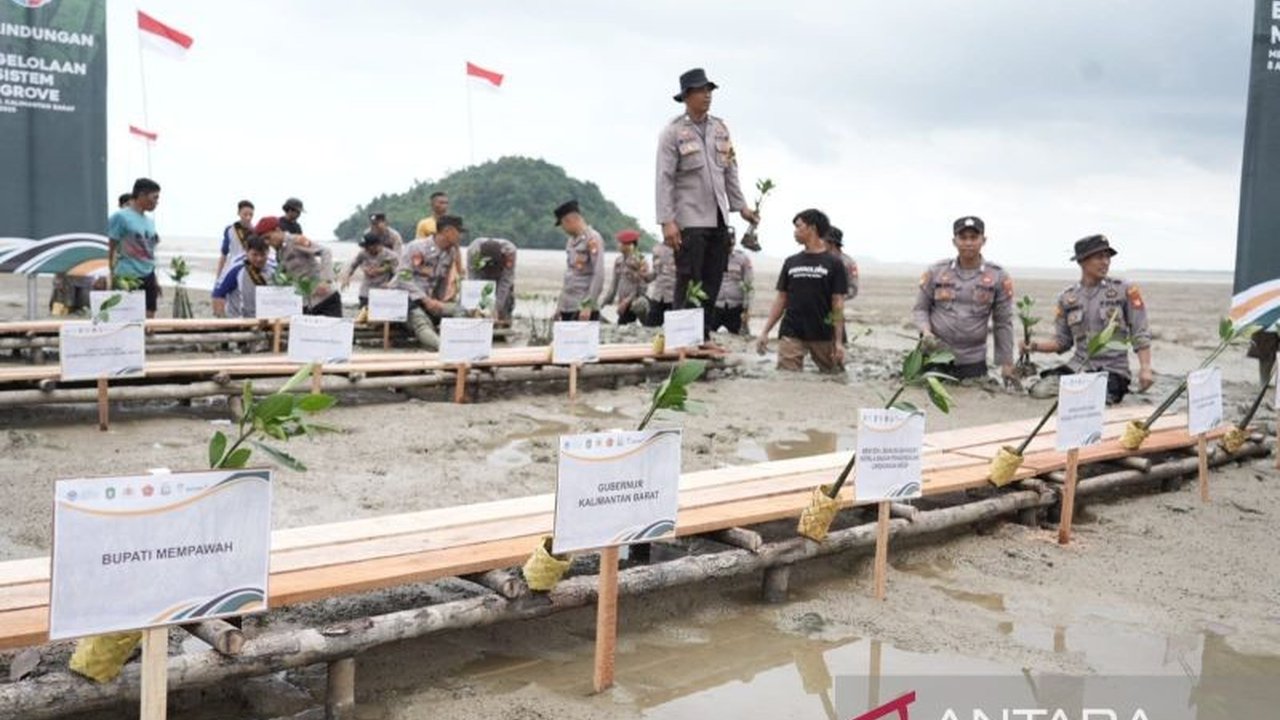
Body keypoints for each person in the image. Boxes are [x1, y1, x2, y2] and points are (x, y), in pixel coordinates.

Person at [656, 67, 758, 340]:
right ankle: (679, 337)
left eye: (709, 90)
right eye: (701, 91)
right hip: (689, 220)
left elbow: (730, 170)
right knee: (689, 279)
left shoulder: (721, 129)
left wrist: (742, 207)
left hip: (719, 218)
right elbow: (664, 178)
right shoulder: (673, 132)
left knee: (713, 280)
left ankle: (701, 335)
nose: (707, 96)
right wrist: (667, 221)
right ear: (687, 96)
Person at [1023, 234, 1154, 404]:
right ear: (1082, 261)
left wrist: (1145, 368)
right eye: (1099, 257)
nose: (1105, 262)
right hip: (1078, 367)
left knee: (1095, 400)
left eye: (1108, 257)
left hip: (1112, 371)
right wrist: (1033, 346)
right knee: (1039, 391)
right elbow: (1063, 342)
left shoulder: (1125, 290)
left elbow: (1140, 332)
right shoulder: (1067, 298)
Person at [912, 216, 1015, 383]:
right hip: (935, 357)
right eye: (963, 238)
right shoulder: (936, 272)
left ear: (984, 240)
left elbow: (1003, 323)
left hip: (972, 360)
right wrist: (925, 331)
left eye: (974, 238)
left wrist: (1006, 362)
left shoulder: (998, 276)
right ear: (954, 241)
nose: (968, 243)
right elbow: (920, 309)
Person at [755, 209, 847, 372]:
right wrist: (765, 331)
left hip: (823, 333)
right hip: (792, 331)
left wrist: (839, 341)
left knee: (833, 375)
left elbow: (837, 303)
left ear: (812, 228)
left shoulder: (834, 263)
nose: (795, 232)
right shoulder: (791, 262)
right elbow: (781, 298)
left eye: (799, 227)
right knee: (787, 378)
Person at [400, 214, 464, 350]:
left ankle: (459, 342)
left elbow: (442, 282)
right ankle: (446, 350)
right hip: (407, 297)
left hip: (431, 300)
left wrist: (439, 302)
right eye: (459, 232)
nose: (460, 237)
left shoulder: (451, 252)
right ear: (448, 231)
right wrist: (426, 300)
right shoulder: (417, 247)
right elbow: (403, 278)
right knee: (421, 322)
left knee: (462, 310)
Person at [107, 177, 163, 318]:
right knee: (126, 318)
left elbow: (149, 252)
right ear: (142, 195)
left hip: (148, 274)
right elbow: (109, 246)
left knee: (150, 319)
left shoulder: (149, 222)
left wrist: (155, 279)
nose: (157, 202)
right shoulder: (120, 217)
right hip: (127, 275)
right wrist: (108, 274)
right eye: (154, 197)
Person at [274, 213, 340, 317]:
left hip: (326, 298)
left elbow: (325, 251)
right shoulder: (280, 253)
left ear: (277, 230)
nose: (268, 242)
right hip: (307, 302)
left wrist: (325, 280)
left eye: (268, 238)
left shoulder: (296, 240)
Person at [554, 200, 605, 321]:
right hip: (569, 306)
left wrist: (588, 305)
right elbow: (569, 275)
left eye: (562, 224)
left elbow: (598, 275)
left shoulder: (592, 239)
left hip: (583, 306)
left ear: (570, 220)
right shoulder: (571, 242)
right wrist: (560, 306)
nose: (563, 228)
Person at [214, 234, 276, 318]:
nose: (259, 259)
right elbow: (218, 295)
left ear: (268, 251)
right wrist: (222, 321)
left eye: (262, 255)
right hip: (237, 321)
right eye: (255, 255)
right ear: (247, 251)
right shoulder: (235, 268)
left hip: (264, 320)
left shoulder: (274, 268)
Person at [212, 200, 255, 316]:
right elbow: (224, 254)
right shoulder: (230, 230)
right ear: (239, 213)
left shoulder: (255, 231)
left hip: (249, 270)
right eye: (245, 214)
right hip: (232, 268)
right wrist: (219, 275)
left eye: (251, 214)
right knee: (226, 296)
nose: (248, 217)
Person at [339, 232, 401, 311]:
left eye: (368, 247)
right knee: (363, 314)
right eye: (365, 247)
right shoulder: (363, 253)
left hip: (382, 290)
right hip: (366, 291)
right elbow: (353, 265)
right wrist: (347, 277)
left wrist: (391, 284)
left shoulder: (391, 256)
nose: (366, 249)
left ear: (376, 245)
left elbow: (399, 273)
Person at [465, 236, 518, 324]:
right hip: (481, 274)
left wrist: (496, 309)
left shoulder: (510, 253)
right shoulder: (473, 252)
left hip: (500, 277)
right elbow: (473, 280)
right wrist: (476, 307)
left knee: (505, 302)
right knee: (475, 307)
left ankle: (502, 324)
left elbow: (505, 283)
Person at [602, 230, 650, 325]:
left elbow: (642, 287)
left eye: (621, 243)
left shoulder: (640, 260)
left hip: (635, 302)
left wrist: (627, 301)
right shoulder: (619, 261)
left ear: (629, 245)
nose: (618, 245)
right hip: (622, 303)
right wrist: (603, 304)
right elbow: (613, 286)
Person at [712, 230, 753, 335]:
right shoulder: (711, 257)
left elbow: (748, 285)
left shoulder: (743, 259)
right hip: (715, 306)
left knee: (739, 337)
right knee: (708, 336)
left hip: (735, 308)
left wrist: (747, 308)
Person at [641, 242, 676, 327]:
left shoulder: (680, 246)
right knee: (650, 327)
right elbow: (655, 273)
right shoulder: (657, 249)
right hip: (658, 295)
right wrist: (644, 275)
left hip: (674, 296)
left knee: (675, 329)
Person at [824, 226, 859, 301]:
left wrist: (832, 298)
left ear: (832, 243)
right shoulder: (817, 259)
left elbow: (852, 289)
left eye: (822, 241)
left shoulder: (847, 263)